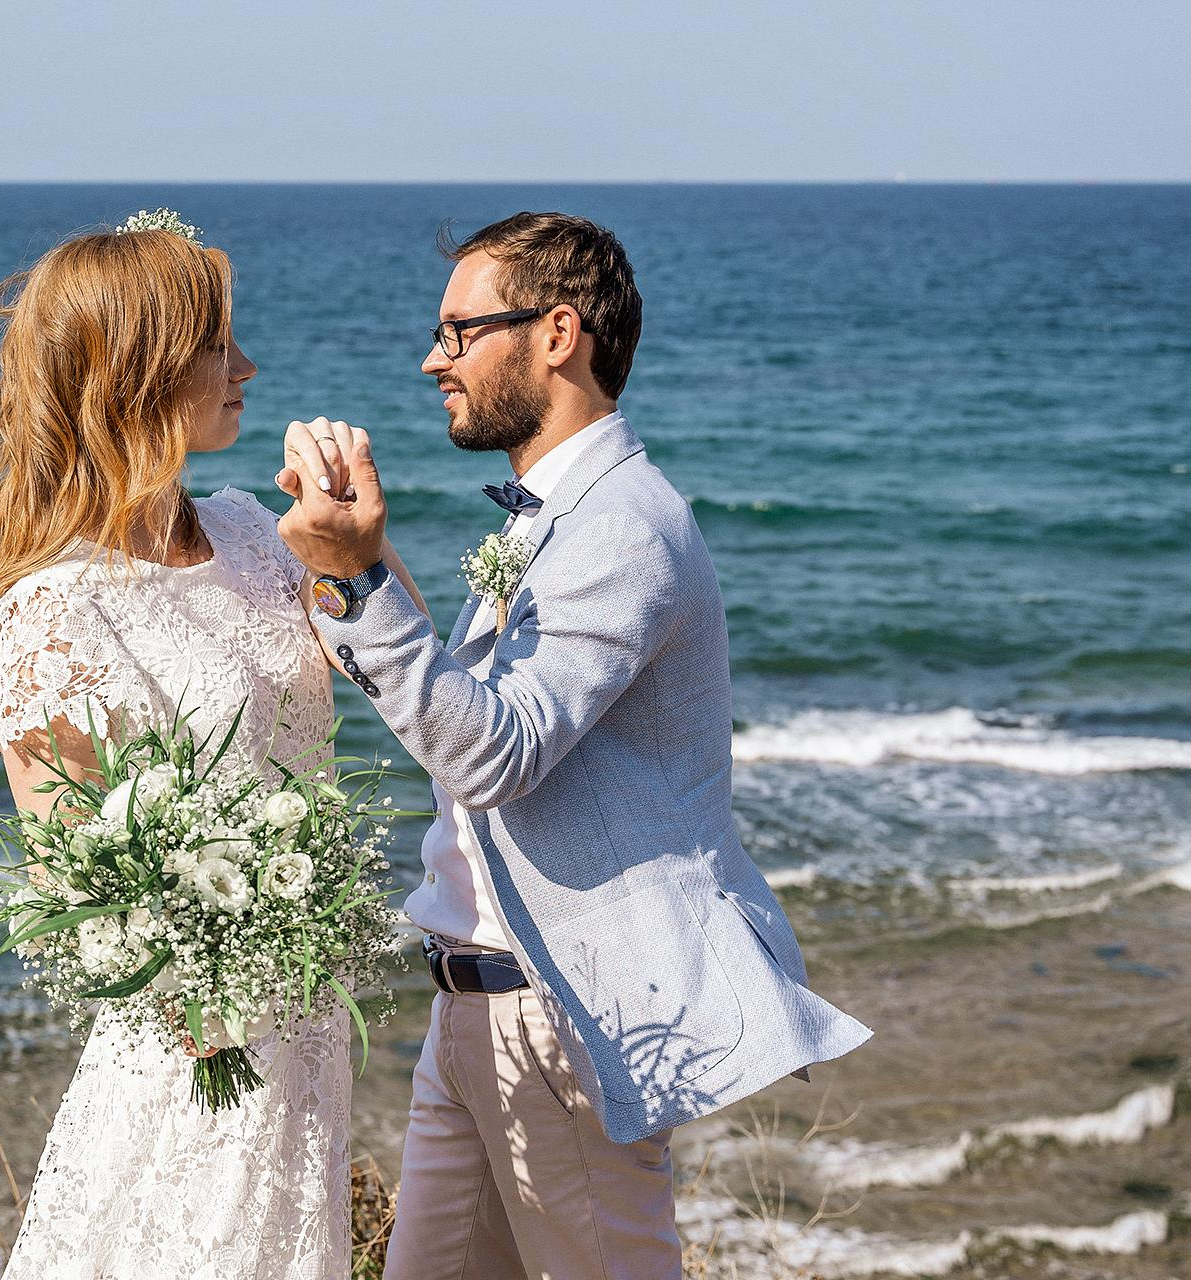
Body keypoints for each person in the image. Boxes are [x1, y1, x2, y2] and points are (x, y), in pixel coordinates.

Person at [274, 212, 873, 1280]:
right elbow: (465, 704)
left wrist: (361, 582)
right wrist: (356, 565)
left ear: (557, 332)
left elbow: (494, 754)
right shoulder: (549, 514)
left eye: (460, 332)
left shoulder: (621, 528)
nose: (433, 359)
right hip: (473, 1009)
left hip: (561, 1012)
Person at [0, 217, 425, 1279]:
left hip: (303, 1021)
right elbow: (75, 879)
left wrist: (356, 537)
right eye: (221, 345)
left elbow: (407, 672)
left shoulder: (256, 533)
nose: (248, 367)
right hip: (196, 1045)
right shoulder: (59, 606)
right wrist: (210, 997)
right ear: (141, 371)